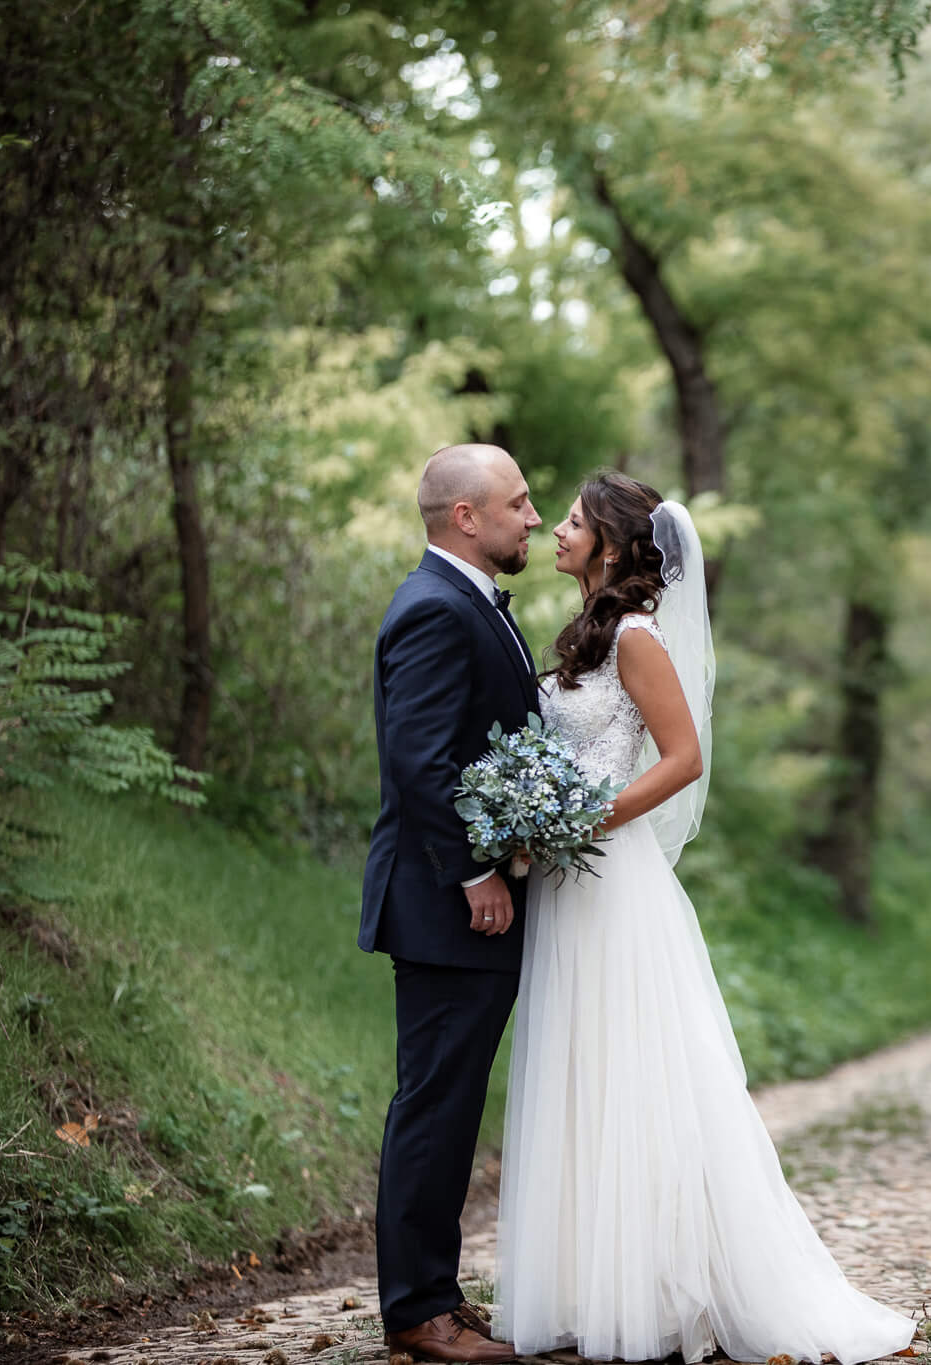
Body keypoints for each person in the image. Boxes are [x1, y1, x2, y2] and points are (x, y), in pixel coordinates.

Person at [496, 471, 917, 1363]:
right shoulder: (582, 635)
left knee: (634, 1076)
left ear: (610, 545)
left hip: (614, 884)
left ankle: (672, 1283)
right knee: (582, 1076)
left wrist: (581, 818)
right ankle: (597, 1283)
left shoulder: (638, 639)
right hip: (568, 888)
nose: (557, 532)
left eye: (571, 521)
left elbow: (682, 758)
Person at [360, 444, 540, 1364]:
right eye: (517, 503)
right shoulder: (433, 607)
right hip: (444, 905)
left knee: (453, 1099)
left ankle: (436, 1293)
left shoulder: (466, 599)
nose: (535, 518)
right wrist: (476, 871)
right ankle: (416, 1314)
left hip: (461, 902)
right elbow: (419, 760)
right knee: (433, 1103)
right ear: (465, 517)